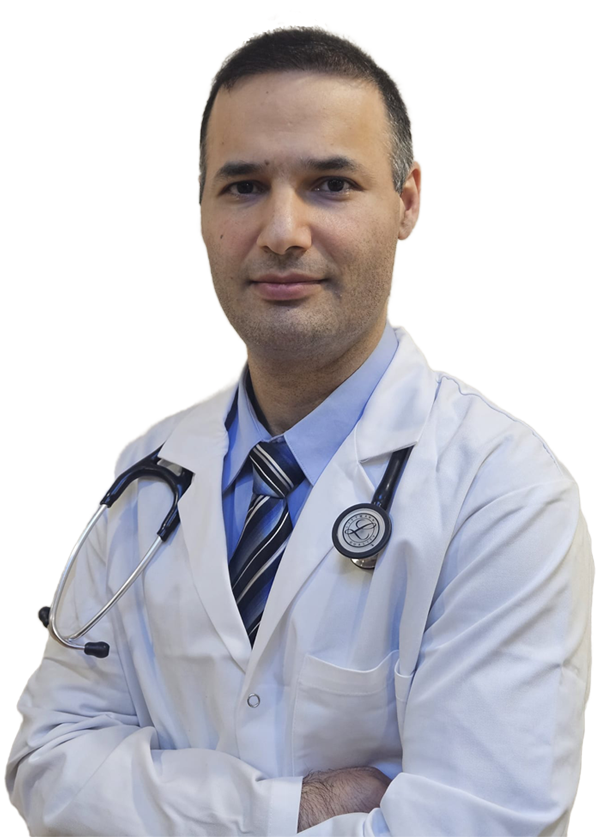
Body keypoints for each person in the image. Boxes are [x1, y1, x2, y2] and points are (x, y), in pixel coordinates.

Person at [5, 22, 594, 837]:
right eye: (243, 186)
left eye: (330, 184)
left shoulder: (504, 493)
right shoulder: (148, 472)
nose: (282, 231)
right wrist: (300, 806)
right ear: (204, 212)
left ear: (409, 203)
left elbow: (482, 824)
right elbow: (45, 773)